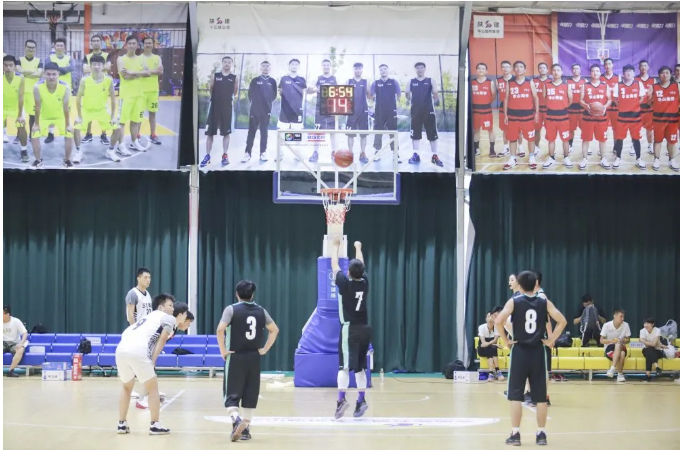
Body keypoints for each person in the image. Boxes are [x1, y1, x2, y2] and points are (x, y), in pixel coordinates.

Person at [495, 271, 567, 446]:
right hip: (537, 352)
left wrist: (506, 341)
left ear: (519, 285)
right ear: (536, 284)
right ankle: (541, 434)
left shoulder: (514, 301)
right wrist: (551, 340)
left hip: (519, 351)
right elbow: (562, 321)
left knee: (516, 396)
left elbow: (498, 321)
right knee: (540, 397)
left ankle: (515, 434)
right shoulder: (544, 301)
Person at [115, 295, 189, 435]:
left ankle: (121, 424)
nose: (173, 309)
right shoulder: (168, 318)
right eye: (170, 306)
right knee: (153, 388)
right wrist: (153, 360)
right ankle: (155, 424)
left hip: (121, 350)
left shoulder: (146, 318)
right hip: (139, 350)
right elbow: (162, 340)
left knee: (126, 387)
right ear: (161, 307)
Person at [216, 280, 279, 442]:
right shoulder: (261, 311)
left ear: (237, 294)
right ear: (253, 295)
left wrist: (223, 350)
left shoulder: (231, 309)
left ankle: (236, 419)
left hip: (235, 355)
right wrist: (264, 349)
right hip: (254, 356)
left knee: (231, 393)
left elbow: (220, 329)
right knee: (250, 393)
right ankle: (245, 429)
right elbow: (274, 330)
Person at [331, 236, 372, 419]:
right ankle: (361, 400)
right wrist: (358, 247)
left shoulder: (345, 284)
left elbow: (334, 265)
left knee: (344, 367)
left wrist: (335, 246)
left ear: (348, 272)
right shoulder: (365, 282)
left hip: (350, 329)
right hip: (365, 329)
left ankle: (341, 400)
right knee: (361, 367)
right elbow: (360, 264)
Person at [73, 54, 119, 163]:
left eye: (99, 64)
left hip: (102, 110)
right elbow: (78, 98)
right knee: (76, 127)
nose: (97, 67)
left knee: (117, 128)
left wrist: (113, 116)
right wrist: (79, 115)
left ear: (103, 66)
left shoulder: (108, 80)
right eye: (94, 64)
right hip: (86, 110)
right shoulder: (84, 80)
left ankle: (110, 150)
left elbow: (113, 99)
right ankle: (79, 151)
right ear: (90, 66)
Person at [31, 62, 74, 168]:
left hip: (60, 117)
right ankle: (38, 160)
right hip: (43, 117)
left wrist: (68, 124)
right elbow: (37, 107)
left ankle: (67, 160)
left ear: (58, 74)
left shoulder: (65, 87)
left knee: (69, 132)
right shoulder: (37, 87)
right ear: (44, 74)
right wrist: (36, 124)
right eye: (48, 74)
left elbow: (66, 107)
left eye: (54, 74)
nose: (51, 77)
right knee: (34, 133)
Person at [201, 56, 238, 168]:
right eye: (225, 62)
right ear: (222, 63)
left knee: (226, 133)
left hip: (227, 107)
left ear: (231, 64)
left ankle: (225, 155)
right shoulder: (215, 76)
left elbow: (235, 92)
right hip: (214, 106)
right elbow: (211, 89)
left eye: (229, 62)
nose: (227, 64)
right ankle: (207, 155)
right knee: (210, 132)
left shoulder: (234, 77)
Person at [503, 61, 539, 170]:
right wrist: (505, 114)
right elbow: (506, 98)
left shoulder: (530, 82)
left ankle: (531, 157)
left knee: (530, 138)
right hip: (513, 115)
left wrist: (537, 113)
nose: (519, 69)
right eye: (517, 67)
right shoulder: (509, 82)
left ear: (525, 69)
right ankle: (513, 157)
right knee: (512, 138)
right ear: (514, 69)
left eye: (521, 67)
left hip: (528, 116)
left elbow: (535, 97)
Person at [115, 35, 147, 156]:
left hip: (139, 94)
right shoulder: (121, 59)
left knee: (135, 121)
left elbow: (148, 74)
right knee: (122, 122)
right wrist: (140, 73)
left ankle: (134, 142)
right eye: (130, 43)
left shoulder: (141, 59)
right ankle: (121, 145)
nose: (132, 46)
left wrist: (132, 72)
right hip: (126, 95)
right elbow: (126, 77)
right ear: (126, 45)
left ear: (137, 45)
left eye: (134, 43)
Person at [406, 62, 442, 167]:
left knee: (432, 134)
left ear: (424, 69)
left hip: (429, 110)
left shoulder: (430, 80)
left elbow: (435, 93)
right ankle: (416, 154)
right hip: (415, 111)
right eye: (418, 68)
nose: (420, 70)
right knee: (415, 134)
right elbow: (407, 94)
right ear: (415, 70)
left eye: (421, 68)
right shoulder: (411, 81)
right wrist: (411, 100)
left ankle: (435, 155)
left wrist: (436, 99)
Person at [242, 61, 277, 163]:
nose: (265, 68)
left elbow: (274, 95)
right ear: (260, 68)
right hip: (255, 110)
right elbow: (250, 94)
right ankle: (247, 153)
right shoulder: (255, 80)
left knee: (264, 132)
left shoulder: (272, 81)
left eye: (267, 66)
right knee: (251, 132)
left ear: (270, 68)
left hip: (266, 110)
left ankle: (263, 153)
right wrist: (256, 104)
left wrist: (267, 103)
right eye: (263, 66)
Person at [613, 64, 646, 170]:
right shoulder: (618, 85)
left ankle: (638, 159)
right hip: (622, 117)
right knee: (619, 138)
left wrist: (634, 105)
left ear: (634, 73)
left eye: (630, 71)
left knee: (636, 139)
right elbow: (615, 99)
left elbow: (641, 97)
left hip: (635, 117)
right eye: (626, 71)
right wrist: (622, 107)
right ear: (623, 73)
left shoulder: (639, 84)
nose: (628, 73)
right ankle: (618, 158)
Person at [579, 64, 611, 170]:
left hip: (601, 117)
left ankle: (603, 158)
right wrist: (586, 105)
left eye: (597, 71)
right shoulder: (585, 85)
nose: (595, 73)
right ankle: (584, 159)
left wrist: (605, 107)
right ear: (590, 73)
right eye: (593, 71)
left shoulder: (605, 85)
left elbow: (609, 99)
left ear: (600, 73)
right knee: (586, 139)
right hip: (588, 117)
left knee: (602, 139)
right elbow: (580, 100)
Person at [82, 34, 112, 145]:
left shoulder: (107, 55)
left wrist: (93, 68)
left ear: (101, 42)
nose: (95, 42)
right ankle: (88, 134)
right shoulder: (87, 56)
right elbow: (85, 70)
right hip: (90, 86)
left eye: (97, 41)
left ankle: (104, 134)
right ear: (91, 43)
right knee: (89, 109)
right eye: (93, 41)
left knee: (103, 110)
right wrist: (100, 68)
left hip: (103, 87)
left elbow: (108, 67)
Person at [648, 66, 679, 171]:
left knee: (672, 141)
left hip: (672, 120)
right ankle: (656, 160)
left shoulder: (677, 86)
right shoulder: (654, 87)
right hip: (658, 120)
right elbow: (649, 102)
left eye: (667, 72)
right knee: (658, 141)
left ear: (670, 74)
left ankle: (672, 160)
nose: (664, 75)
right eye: (662, 73)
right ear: (659, 75)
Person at [542, 63, 572, 169]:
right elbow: (544, 98)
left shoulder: (566, 85)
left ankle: (566, 157)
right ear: (551, 72)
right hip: (550, 116)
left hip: (563, 115)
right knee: (551, 139)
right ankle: (551, 158)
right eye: (554, 70)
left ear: (562, 72)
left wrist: (563, 106)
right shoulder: (546, 85)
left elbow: (570, 99)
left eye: (558, 70)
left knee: (565, 139)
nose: (556, 72)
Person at [307, 59, 338, 162]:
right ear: (322, 66)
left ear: (330, 66)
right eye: (324, 65)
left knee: (333, 132)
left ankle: (334, 152)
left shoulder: (334, 79)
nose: (326, 67)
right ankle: (315, 152)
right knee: (318, 131)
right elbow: (308, 90)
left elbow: (340, 92)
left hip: (332, 108)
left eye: (328, 65)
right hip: (319, 109)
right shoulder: (318, 78)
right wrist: (316, 89)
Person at [370, 64, 401, 162]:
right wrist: (372, 106)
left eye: (385, 69)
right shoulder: (375, 83)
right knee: (378, 131)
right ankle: (377, 152)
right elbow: (371, 96)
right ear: (379, 72)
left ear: (388, 70)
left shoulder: (394, 82)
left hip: (391, 110)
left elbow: (399, 95)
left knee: (393, 131)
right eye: (381, 70)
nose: (383, 71)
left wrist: (397, 107)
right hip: (379, 110)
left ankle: (395, 153)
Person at [45, 38, 74, 144]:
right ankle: (51, 133)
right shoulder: (49, 58)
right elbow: (47, 69)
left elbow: (71, 68)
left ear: (64, 47)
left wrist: (56, 69)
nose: (60, 47)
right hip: (52, 88)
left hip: (66, 89)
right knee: (51, 111)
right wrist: (63, 70)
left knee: (66, 111)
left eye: (61, 45)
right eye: (58, 45)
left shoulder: (69, 58)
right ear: (55, 47)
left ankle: (67, 131)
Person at [15, 40, 43, 143]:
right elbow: (19, 71)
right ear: (25, 47)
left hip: (33, 93)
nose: (31, 49)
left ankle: (32, 135)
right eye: (29, 47)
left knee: (33, 116)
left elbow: (39, 74)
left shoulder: (39, 61)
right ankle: (19, 135)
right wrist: (33, 71)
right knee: (20, 115)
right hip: (21, 92)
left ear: (35, 49)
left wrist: (24, 72)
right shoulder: (19, 60)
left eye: (33, 47)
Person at [3, 56, 28, 162]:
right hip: (2, 107)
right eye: (6, 65)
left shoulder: (20, 78)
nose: (8, 67)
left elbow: (21, 97)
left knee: (21, 126)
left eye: (10, 65)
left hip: (16, 107)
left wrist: (20, 115)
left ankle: (24, 150)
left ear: (14, 66)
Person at [140, 36, 164, 145]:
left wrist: (148, 71)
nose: (148, 45)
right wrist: (154, 71)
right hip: (141, 91)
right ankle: (137, 135)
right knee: (139, 114)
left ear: (153, 45)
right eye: (146, 43)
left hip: (153, 91)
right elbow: (139, 72)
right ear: (143, 45)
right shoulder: (139, 58)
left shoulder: (157, 58)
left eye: (150, 43)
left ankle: (153, 134)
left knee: (153, 114)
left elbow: (161, 71)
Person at [346, 62, 370, 164]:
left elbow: (370, 96)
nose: (358, 70)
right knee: (350, 134)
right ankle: (350, 154)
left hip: (363, 110)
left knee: (363, 134)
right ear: (353, 70)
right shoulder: (349, 81)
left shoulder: (366, 82)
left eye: (359, 68)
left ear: (362, 70)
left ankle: (362, 153)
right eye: (356, 68)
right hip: (351, 111)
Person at [471, 63, 497, 158]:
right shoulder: (472, 82)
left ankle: (492, 149)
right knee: (476, 130)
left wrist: (486, 102)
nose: (481, 70)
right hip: (475, 111)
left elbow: (493, 95)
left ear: (486, 71)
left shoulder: (490, 82)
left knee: (490, 130)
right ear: (476, 70)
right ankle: (476, 149)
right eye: (479, 68)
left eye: (483, 69)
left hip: (486, 111)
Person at [599, 309, 631, 382]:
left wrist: (622, 340)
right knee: (622, 354)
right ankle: (620, 375)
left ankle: (612, 369)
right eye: (621, 317)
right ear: (615, 316)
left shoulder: (626, 325)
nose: (622, 319)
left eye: (623, 317)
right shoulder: (606, 325)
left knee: (618, 344)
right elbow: (601, 340)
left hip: (621, 346)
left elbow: (628, 340)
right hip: (609, 348)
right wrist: (612, 341)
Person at [278, 58, 307, 131]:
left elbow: (303, 92)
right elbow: (280, 91)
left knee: (297, 134)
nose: (294, 66)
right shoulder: (284, 78)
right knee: (282, 133)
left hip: (297, 111)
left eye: (296, 64)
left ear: (299, 66)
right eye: (292, 64)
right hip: (285, 110)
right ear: (289, 66)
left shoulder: (302, 79)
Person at [635, 60, 655, 155]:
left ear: (648, 67)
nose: (643, 67)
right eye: (641, 66)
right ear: (639, 68)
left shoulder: (653, 80)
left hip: (649, 109)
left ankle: (650, 146)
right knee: (635, 128)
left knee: (649, 129)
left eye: (645, 66)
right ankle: (633, 146)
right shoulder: (635, 80)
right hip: (637, 108)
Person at [478, 306, 504, 380]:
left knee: (492, 348)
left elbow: (495, 340)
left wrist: (493, 344)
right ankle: (498, 371)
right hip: (482, 349)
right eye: (488, 317)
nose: (490, 318)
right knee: (492, 347)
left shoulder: (497, 327)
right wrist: (495, 345)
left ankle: (491, 373)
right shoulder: (481, 327)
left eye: (491, 317)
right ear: (486, 319)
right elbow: (483, 343)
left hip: (490, 348)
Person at [496, 60, 516, 157]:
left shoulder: (515, 79)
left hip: (515, 106)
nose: (505, 68)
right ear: (501, 68)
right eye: (503, 67)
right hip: (503, 106)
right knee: (505, 128)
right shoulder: (498, 80)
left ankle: (520, 147)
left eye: (507, 67)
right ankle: (505, 147)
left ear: (511, 68)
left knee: (517, 129)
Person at [3, 305, 27, 378]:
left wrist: (21, 343)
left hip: (14, 343)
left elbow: (25, 333)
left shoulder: (16, 321)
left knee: (21, 349)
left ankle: (11, 371)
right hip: (3, 342)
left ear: (7, 314)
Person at [566, 64, 586, 153]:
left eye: (577, 68)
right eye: (574, 69)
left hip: (582, 109)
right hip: (571, 109)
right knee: (571, 129)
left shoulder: (585, 81)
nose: (575, 70)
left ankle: (586, 146)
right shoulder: (567, 82)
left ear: (580, 70)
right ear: (572, 70)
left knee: (584, 128)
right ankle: (570, 145)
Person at [639, 318, 664, 383]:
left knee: (649, 353)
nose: (646, 325)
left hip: (658, 351)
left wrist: (642, 340)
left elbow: (654, 344)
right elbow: (648, 345)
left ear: (652, 324)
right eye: (645, 323)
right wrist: (650, 343)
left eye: (648, 323)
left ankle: (648, 376)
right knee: (649, 349)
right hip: (646, 350)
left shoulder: (657, 330)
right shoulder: (642, 331)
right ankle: (657, 367)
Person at [533, 62, 550, 151]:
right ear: (538, 69)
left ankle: (551, 149)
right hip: (537, 109)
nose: (542, 69)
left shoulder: (551, 81)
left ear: (547, 70)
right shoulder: (533, 81)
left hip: (548, 110)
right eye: (540, 68)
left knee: (550, 130)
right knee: (537, 130)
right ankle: (536, 147)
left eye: (544, 67)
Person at [601, 58, 620, 138]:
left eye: (609, 64)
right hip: (604, 106)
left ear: (612, 65)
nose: (608, 66)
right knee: (603, 128)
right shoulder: (600, 77)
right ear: (604, 66)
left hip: (615, 106)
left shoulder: (618, 77)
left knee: (616, 128)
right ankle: (602, 144)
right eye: (606, 64)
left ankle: (616, 145)